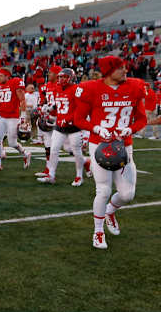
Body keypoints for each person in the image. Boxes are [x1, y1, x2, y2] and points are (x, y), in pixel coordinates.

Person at [74, 56, 147, 249]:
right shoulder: (91, 88)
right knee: (104, 189)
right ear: (108, 71)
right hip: (100, 145)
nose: (125, 71)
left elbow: (142, 119)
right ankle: (98, 231)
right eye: (121, 68)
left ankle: (110, 211)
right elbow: (79, 119)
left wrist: (130, 129)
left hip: (124, 146)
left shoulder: (134, 87)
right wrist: (97, 128)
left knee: (127, 195)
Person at [37, 68, 90, 186]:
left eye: (64, 77)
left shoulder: (76, 90)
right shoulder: (58, 88)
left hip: (73, 126)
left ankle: (79, 176)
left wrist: (70, 118)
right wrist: (49, 109)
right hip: (60, 125)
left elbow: (81, 109)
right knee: (54, 149)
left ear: (71, 78)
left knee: (76, 152)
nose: (61, 79)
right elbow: (59, 104)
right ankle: (51, 175)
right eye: (60, 77)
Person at [0, 68, 32, 171]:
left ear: (7, 76)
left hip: (13, 117)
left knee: (12, 143)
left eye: (1, 75)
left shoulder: (15, 82)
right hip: (2, 116)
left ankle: (26, 153)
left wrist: (23, 117)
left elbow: (22, 100)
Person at [35, 66, 61, 178]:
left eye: (51, 73)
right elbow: (44, 100)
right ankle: (48, 169)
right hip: (49, 117)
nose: (48, 74)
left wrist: (50, 108)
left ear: (57, 74)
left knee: (70, 148)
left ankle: (86, 164)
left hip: (60, 118)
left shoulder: (60, 86)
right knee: (48, 145)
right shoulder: (47, 86)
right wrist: (41, 108)